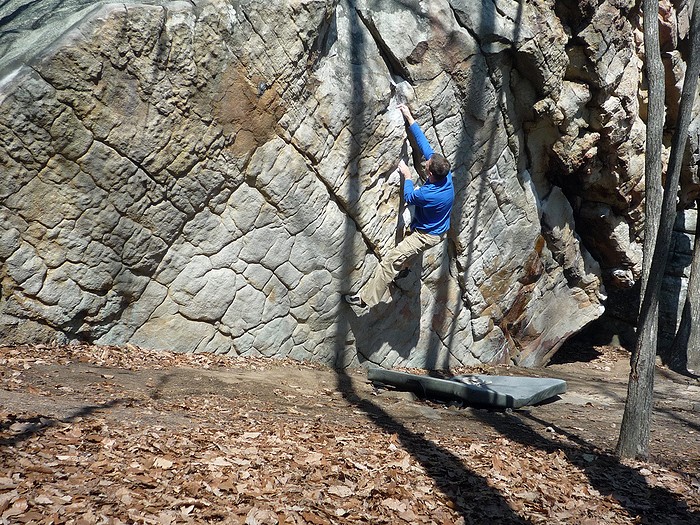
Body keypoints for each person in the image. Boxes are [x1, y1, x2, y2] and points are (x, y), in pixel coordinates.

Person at [343, 104, 455, 308]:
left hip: (427, 235)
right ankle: (404, 269)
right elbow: (425, 147)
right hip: (436, 226)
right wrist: (409, 118)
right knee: (407, 251)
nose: (426, 163)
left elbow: (410, 197)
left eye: (426, 166)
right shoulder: (444, 174)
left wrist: (407, 175)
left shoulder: (430, 194)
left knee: (391, 259)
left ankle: (366, 300)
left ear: (430, 174)